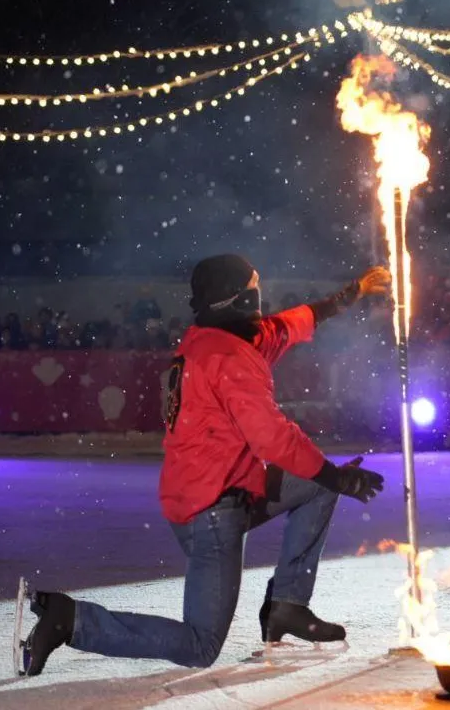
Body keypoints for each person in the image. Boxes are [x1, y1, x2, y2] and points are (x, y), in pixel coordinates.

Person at [20, 254, 392, 675]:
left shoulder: (226, 336)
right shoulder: (227, 357)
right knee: (201, 645)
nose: (261, 293)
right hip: (210, 510)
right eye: (254, 286)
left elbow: (293, 322)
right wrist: (336, 474)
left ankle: (286, 606)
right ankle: (72, 621)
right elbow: (271, 436)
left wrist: (352, 293)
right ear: (237, 299)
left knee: (316, 486)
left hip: (222, 485)